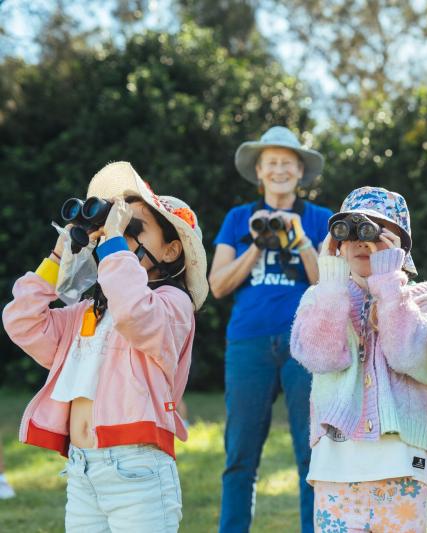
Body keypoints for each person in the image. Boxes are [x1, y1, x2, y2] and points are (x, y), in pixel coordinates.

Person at [2, 162, 208, 531]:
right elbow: (21, 322)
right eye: (117, 228)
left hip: (138, 469)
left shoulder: (172, 307)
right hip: (83, 470)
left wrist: (113, 243)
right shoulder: (89, 313)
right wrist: (56, 258)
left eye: (131, 228)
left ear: (172, 250)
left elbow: (134, 312)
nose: (119, 237)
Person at [291, 186, 427, 532]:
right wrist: (329, 278)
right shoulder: (321, 296)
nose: (363, 241)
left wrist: (389, 282)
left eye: (376, 230)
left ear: (400, 246)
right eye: (351, 230)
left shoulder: (424, 297)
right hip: (336, 467)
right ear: (337, 243)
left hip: (401, 464)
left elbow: (409, 356)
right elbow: (320, 357)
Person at [210, 126, 332, 533]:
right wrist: (258, 244)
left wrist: (300, 241)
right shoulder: (238, 219)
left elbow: (331, 285)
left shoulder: (320, 220)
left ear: (300, 171)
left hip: (308, 343)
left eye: (287, 163)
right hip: (249, 343)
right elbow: (217, 284)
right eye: (271, 163)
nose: (279, 170)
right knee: (240, 455)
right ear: (259, 171)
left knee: (312, 453)